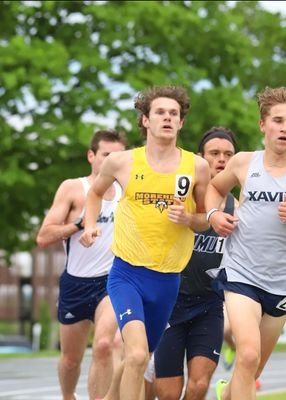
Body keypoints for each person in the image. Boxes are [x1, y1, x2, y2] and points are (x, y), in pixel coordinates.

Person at [79, 85, 210, 400]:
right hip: (127, 274)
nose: (167, 118)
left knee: (138, 359)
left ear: (180, 123)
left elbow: (206, 218)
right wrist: (91, 224)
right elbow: (95, 193)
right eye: (160, 113)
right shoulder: (121, 162)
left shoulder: (196, 167)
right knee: (136, 355)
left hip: (167, 279)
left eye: (173, 114)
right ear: (146, 121)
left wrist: (189, 219)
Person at [205, 86, 286, 400]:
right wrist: (212, 215)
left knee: (253, 369)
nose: (285, 128)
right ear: (264, 125)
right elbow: (214, 189)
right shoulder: (243, 162)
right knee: (247, 356)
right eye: (278, 120)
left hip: (283, 281)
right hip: (241, 273)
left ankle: (227, 394)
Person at [36, 129, 128, 400]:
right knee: (70, 360)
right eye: (106, 155)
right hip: (76, 282)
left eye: (118, 155)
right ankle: (68, 396)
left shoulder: (129, 190)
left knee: (104, 345)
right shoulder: (73, 188)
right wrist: (78, 225)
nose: (112, 160)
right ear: (91, 156)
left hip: (113, 280)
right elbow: (43, 237)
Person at [153, 127, 237, 400]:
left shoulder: (241, 207)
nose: (221, 159)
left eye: (228, 154)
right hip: (170, 302)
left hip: (209, 304)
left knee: (199, 385)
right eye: (214, 153)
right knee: (167, 394)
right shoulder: (181, 199)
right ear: (201, 158)